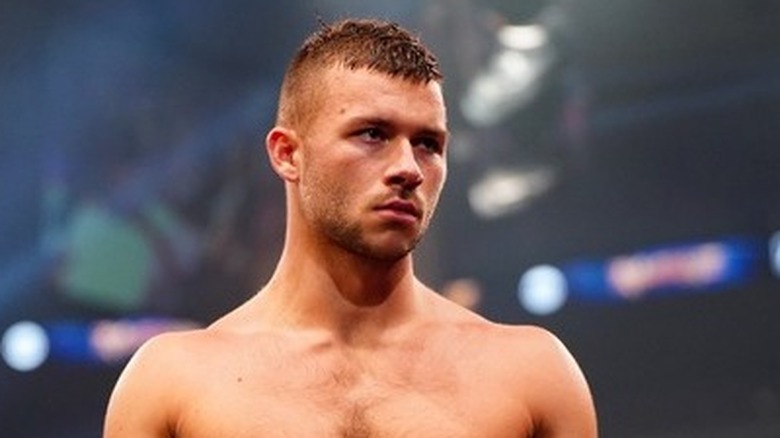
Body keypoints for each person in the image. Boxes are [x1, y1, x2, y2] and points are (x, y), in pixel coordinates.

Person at [104, 18, 598, 437]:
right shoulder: (173, 382)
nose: (408, 167)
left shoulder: (533, 374)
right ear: (287, 153)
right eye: (373, 134)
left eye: (428, 143)